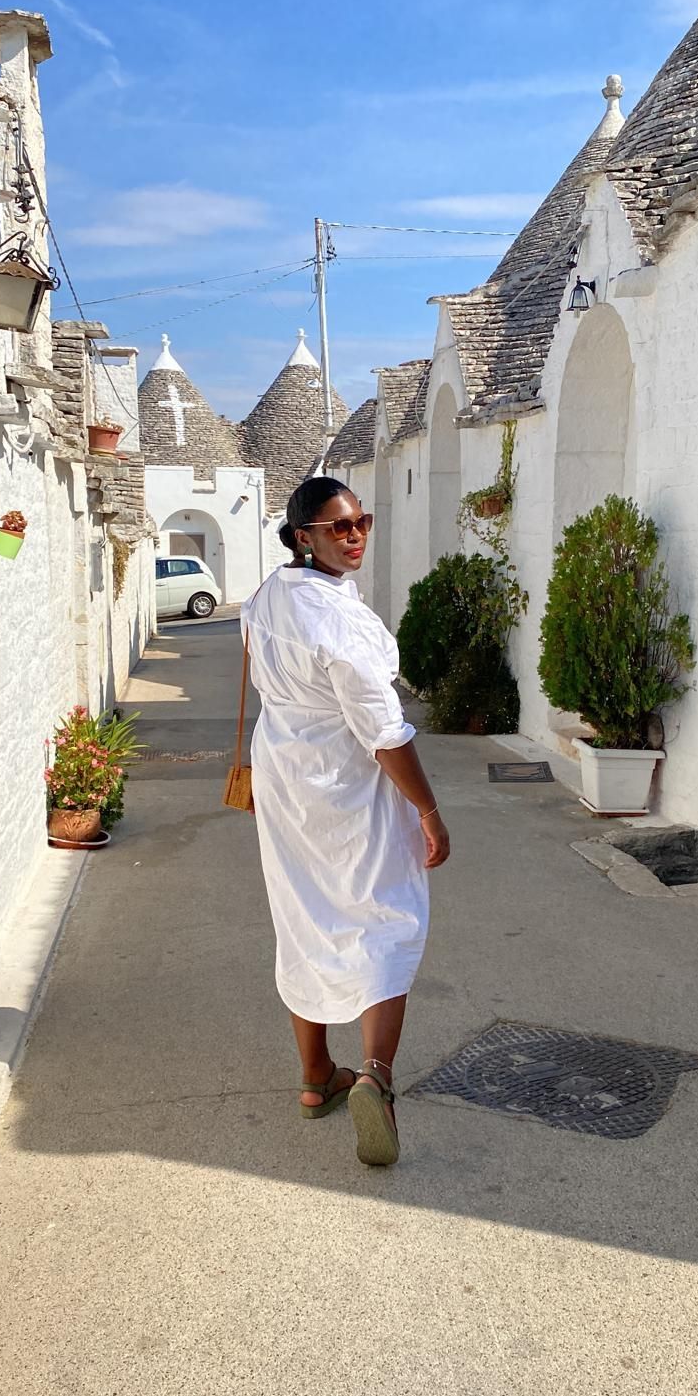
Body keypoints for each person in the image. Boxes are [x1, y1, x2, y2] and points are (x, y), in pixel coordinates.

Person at [241, 476, 450, 1167]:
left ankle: (313, 1078)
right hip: (346, 787)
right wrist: (428, 809)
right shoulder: (340, 623)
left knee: (302, 913)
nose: (356, 535)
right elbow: (384, 732)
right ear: (305, 535)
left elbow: (260, 660)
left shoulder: (273, 592)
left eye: (363, 521)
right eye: (340, 528)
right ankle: (375, 1079)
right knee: (388, 916)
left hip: (283, 774)